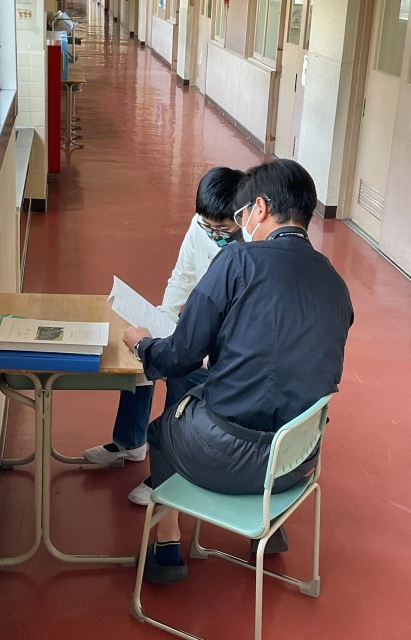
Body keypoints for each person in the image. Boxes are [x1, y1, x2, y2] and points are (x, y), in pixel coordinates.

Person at [123, 158, 354, 583]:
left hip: (226, 456)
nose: (241, 223)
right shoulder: (336, 285)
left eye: (243, 212)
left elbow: (180, 355)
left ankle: (168, 548)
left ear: (260, 209)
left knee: (163, 430)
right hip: (296, 462)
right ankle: (269, 523)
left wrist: (142, 344)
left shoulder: (237, 261)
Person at [83, 167, 245, 506]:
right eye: (208, 226)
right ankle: (130, 442)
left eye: (223, 230)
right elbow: (182, 276)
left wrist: (204, 347)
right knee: (143, 351)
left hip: (225, 343)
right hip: (196, 322)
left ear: (242, 216)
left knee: (183, 373)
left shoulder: (253, 248)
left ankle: (168, 470)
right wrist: (162, 319)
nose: (213, 234)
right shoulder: (200, 226)